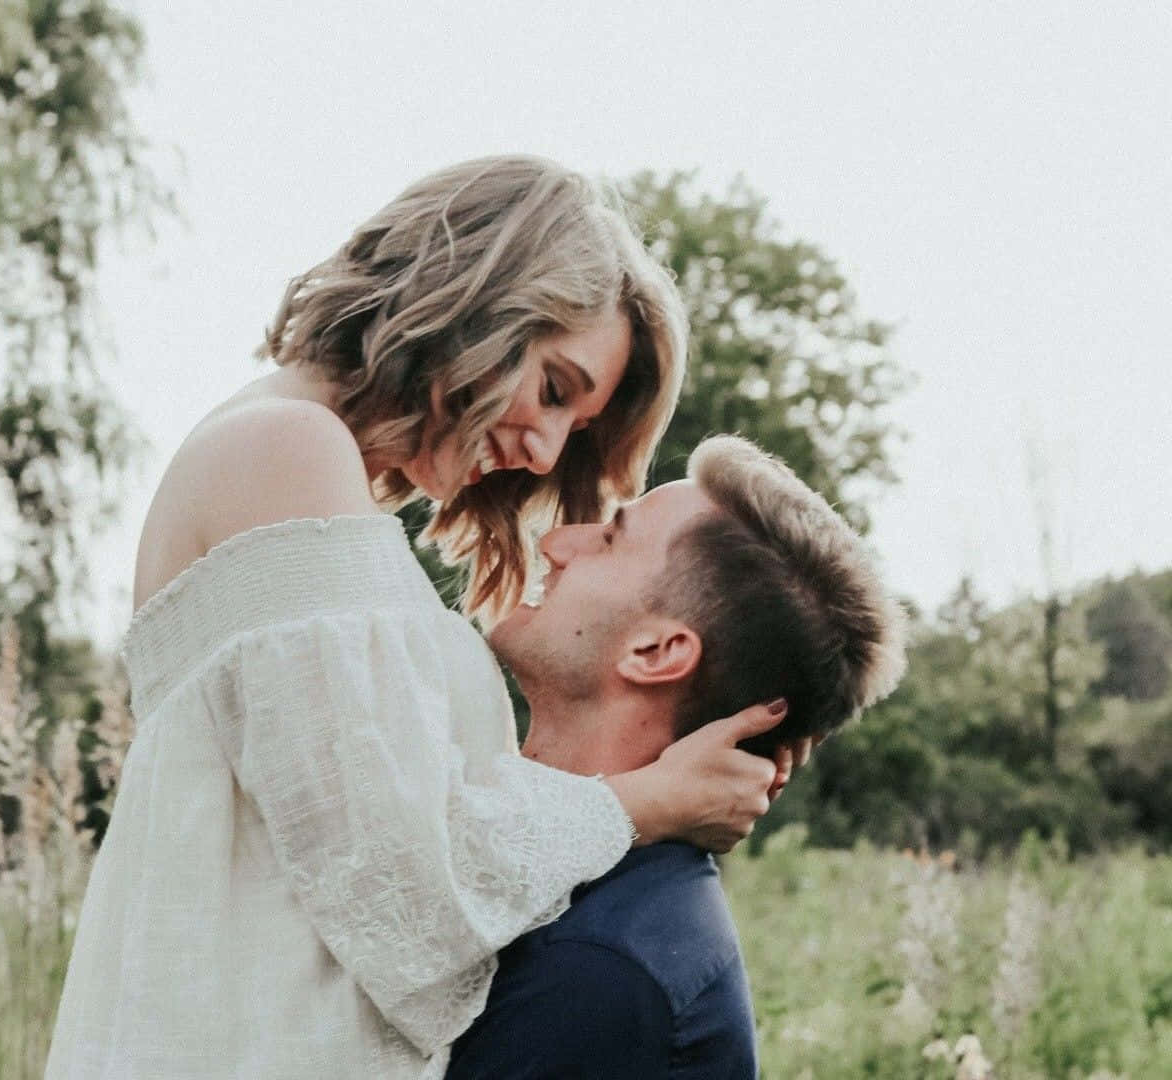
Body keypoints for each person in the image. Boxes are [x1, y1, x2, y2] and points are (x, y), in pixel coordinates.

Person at [46, 156, 800, 1079]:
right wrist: (652, 801)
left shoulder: (309, 466)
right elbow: (401, 895)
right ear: (476, 301)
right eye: (554, 388)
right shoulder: (286, 450)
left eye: (573, 426)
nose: (544, 448)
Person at [446, 434, 908, 1079]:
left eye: (609, 537)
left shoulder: (599, 967)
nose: (555, 543)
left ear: (657, 652)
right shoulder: (540, 872)